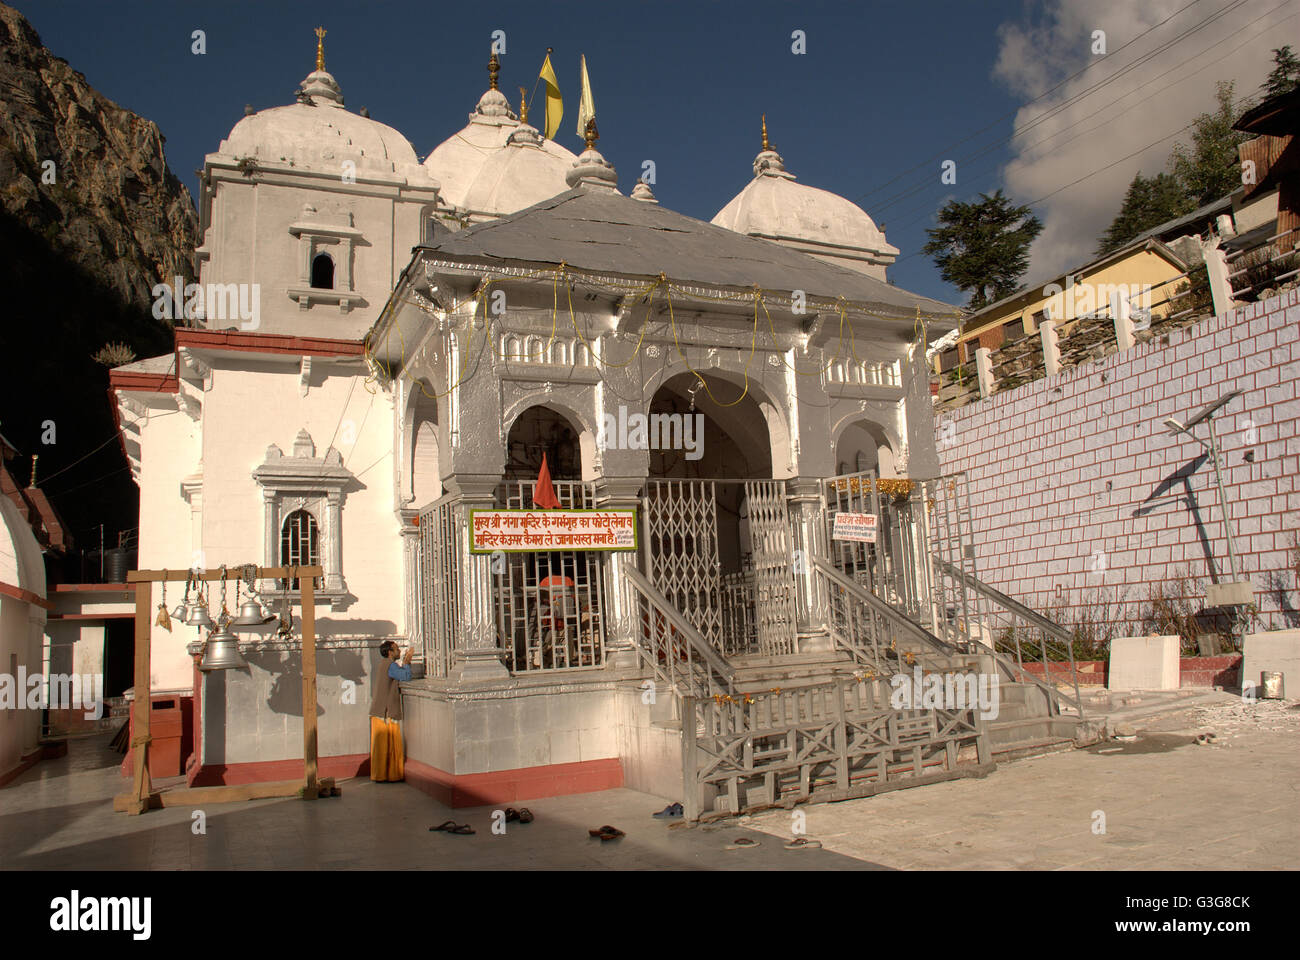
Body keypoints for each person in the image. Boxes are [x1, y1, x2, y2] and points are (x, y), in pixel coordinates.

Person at [369, 640, 412, 782]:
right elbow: (405, 676)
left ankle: (380, 775)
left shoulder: (383, 665)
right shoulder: (391, 665)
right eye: (396, 649)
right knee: (391, 745)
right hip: (386, 712)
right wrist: (407, 662)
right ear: (389, 652)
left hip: (380, 711)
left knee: (380, 746)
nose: (399, 651)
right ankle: (392, 774)